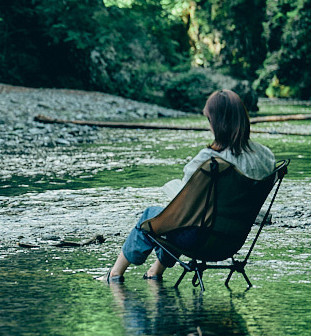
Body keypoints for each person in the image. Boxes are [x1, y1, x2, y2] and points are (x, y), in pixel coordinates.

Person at [104, 89, 275, 282]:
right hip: (233, 240)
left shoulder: (209, 161)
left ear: (217, 123)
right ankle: (156, 271)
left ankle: (115, 274)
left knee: (154, 215)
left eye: (209, 120)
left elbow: (186, 208)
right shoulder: (266, 157)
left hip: (200, 240)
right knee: (175, 221)